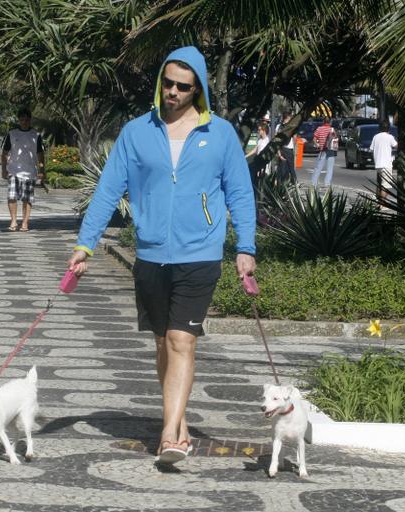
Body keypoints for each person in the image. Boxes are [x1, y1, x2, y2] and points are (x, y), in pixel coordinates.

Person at [66, 46, 256, 465]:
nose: (172, 92)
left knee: (181, 339)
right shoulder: (137, 132)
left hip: (200, 252)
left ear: (198, 89)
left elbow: (240, 193)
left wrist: (246, 247)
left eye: (182, 86)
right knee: (161, 342)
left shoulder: (220, 134)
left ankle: (170, 434)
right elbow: (108, 190)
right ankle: (179, 419)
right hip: (150, 253)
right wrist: (85, 244)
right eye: (167, 83)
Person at [1, 108, 45, 232]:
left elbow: (40, 154)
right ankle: (13, 221)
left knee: (27, 198)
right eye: (22, 119)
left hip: (30, 171)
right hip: (14, 170)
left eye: (27, 119)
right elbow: (4, 153)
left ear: (30, 120)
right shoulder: (12, 134)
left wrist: (42, 170)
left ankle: (25, 222)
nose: (24, 122)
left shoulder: (36, 135)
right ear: (18, 120)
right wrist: (3, 169)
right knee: (12, 196)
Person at [370, 120, 398, 203]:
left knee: (379, 183)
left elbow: (371, 149)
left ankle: (377, 201)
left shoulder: (376, 137)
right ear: (388, 128)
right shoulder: (390, 137)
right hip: (386, 164)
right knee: (385, 186)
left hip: (378, 164)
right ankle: (382, 204)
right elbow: (396, 146)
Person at [311, 118, 337, 188]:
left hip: (323, 150)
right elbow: (335, 138)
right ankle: (327, 183)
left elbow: (314, 139)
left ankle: (314, 183)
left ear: (323, 122)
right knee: (330, 168)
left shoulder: (319, 129)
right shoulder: (332, 129)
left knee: (318, 167)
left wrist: (317, 145)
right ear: (330, 122)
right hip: (331, 151)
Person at [276, 113, 296, 184]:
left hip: (282, 148)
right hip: (288, 148)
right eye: (289, 119)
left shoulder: (279, 126)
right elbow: (294, 138)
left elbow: (276, 139)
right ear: (286, 119)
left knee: (282, 168)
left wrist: (279, 153)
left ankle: (282, 183)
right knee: (290, 168)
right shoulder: (289, 127)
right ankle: (294, 182)